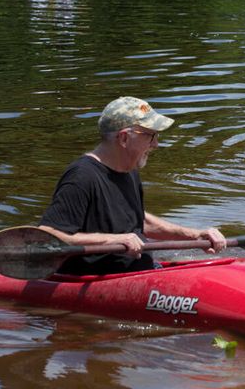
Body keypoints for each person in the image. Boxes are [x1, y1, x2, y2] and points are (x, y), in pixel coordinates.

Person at [39, 96, 226, 275]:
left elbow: (139, 221)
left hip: (139, 274)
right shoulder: (82, 176)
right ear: (124, 138)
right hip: (99, 282)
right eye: (151, 136)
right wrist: (112, 240)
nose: (156, 144)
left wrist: (195, 236)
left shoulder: (129, 170)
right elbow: (46, 237)